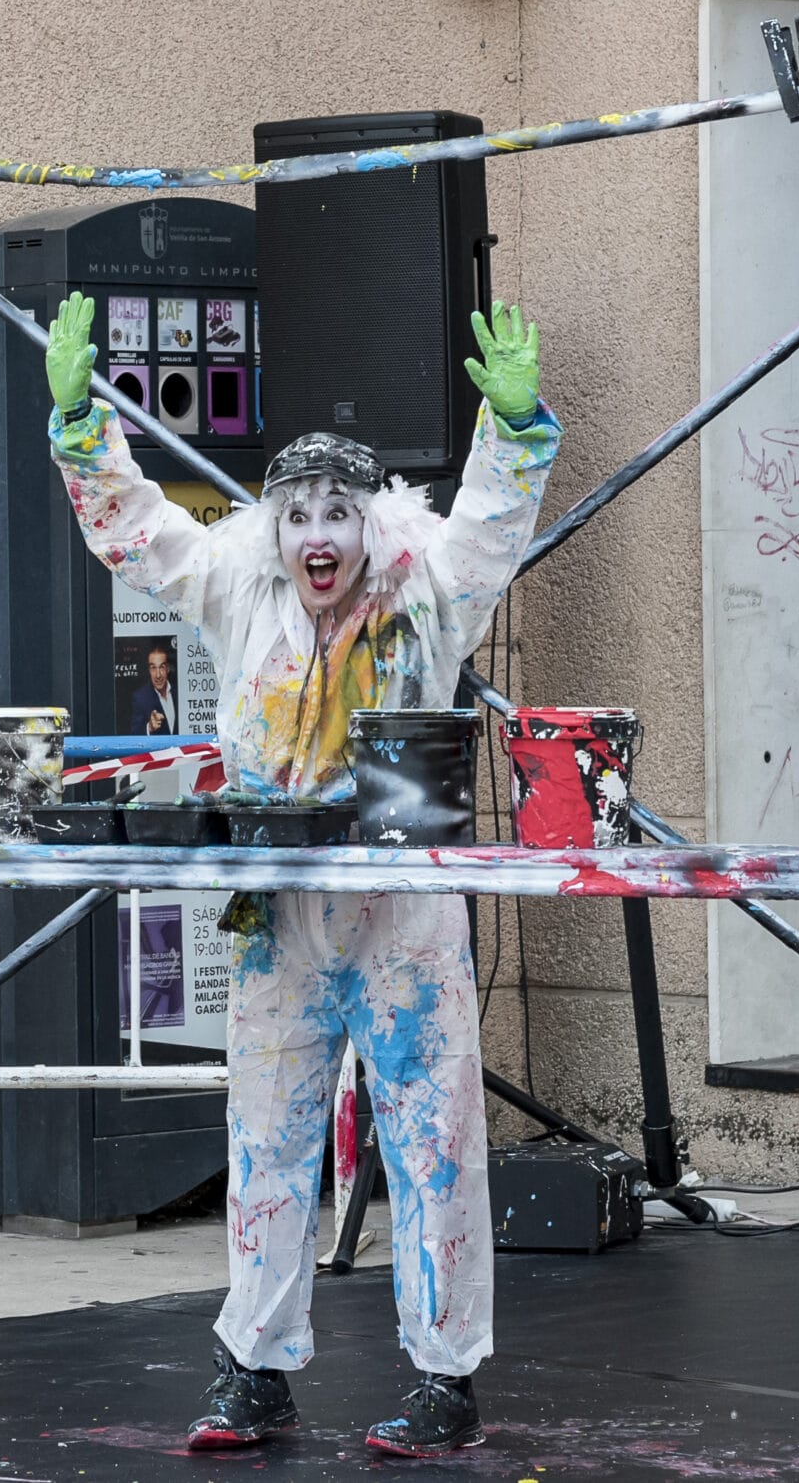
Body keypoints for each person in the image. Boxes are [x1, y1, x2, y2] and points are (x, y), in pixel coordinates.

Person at [44, 288, 559, 1457]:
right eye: (296, 514)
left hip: (402, 913)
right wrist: (82, 426)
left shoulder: (424, 593)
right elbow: (143, 532)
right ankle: (255, 1368)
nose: (316, 534)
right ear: (272, 529)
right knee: (267, 1135)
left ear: (372, 522)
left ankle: (444, 1376)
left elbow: (488, 533)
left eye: (338, 512)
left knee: (430, 1135)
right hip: (277, 913)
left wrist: (515, 431)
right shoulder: (239, 586)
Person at [129, 639, 177, 735]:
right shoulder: (140, 698)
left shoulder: (179, 692)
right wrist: (149, 727)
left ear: (168, 669)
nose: (158, 675)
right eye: (153, 668)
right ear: (149, 670)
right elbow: (134, 734)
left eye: (162, 667)